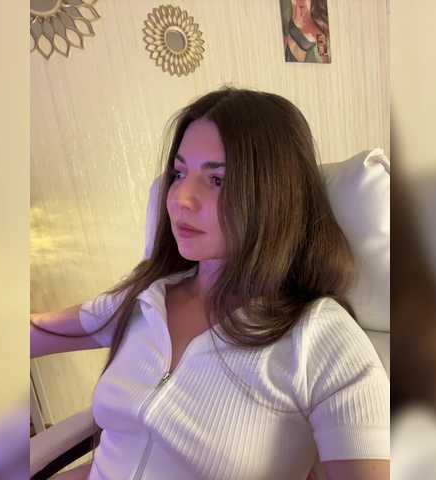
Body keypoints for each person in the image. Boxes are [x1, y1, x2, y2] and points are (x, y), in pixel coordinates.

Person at [31, 87, 389, 479]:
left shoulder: (323, 343)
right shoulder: (146, 298)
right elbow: (38, 332)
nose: (180, 198)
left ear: (275, 198)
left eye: (217, 179)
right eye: (179, 173)